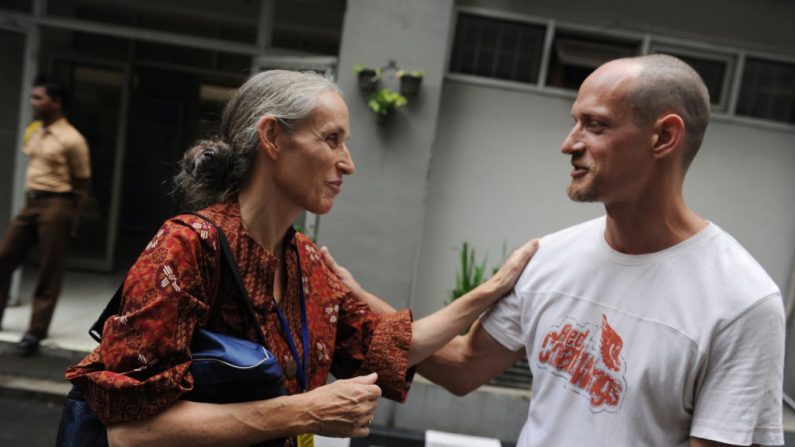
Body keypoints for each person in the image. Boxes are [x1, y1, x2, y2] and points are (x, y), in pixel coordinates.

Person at [325, 54, 786, 446]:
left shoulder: (742, 301)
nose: (570, 144)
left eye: (596, 125)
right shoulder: (548, 258)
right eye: (575, 123)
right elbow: (465, 368)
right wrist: (361, 302)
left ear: (663, 137)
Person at [65, 70, 538, 447]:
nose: (347, 162)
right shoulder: (186, 247)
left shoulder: (307, 262)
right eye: (332, 139)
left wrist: (491, 290)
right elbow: (130, 431)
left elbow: (384, 347)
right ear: (271, 137)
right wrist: (305, 412)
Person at [0, 75, 91, 356]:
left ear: (56, 102)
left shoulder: (72, 139)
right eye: (33, 97)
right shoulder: (35, 130)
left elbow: (82, 182)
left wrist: (71, 217)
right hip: (32, 203)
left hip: (57, 204)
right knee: (4, 257)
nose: (33, 102)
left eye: (38, 97)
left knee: (49, 269)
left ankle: (35, 332)